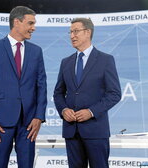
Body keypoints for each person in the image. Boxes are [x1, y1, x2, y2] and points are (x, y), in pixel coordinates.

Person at [0, 6, 47, 168]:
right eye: (30, 23)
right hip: (0, 124)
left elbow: (41, 86)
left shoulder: (36, 51)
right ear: (17, 22)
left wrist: (39, 117)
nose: (34, 28)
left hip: (29, 124)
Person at [53, 18, 121, 168]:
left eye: (76, 31)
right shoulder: (66, 62)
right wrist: (64, 110)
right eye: (70, 32)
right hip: (71, 131)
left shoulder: (106, 60)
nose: (72, 36)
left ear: (88, 32)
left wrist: (91, 112)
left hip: (96, 131)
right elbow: (58, 93)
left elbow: (114, 94)